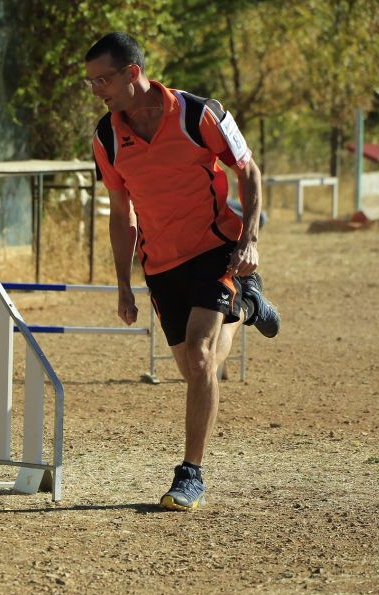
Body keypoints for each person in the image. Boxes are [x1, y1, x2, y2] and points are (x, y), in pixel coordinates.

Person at [85, 32, 280, 511]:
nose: (96, 91)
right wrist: (123, 286)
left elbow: (248, 170)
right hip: (161, 264)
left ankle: (190, 474)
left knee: (198, 357)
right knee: (197, 368)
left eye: (103, 80)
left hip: (215, 248)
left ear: (134, 73)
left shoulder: (201, 114)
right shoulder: (106, 136)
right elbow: (120, 213)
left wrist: (249, 239)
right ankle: (247, 301)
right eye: (90, 82)